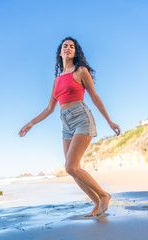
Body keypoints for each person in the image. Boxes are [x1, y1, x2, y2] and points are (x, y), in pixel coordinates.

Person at [18, 37, 121, 217]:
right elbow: (50, 108)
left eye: (71, 46)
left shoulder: (81, 71)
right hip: (65, 123)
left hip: (82, 118)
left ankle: (104, 195)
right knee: (73, 170)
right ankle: (97, 203)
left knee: (71, 167)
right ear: (60, 52)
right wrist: (31, 123)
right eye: (65, 46)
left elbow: (95, 98)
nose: (68, 48)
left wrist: (109, 121)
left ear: (75, 52)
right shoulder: (56, 81)